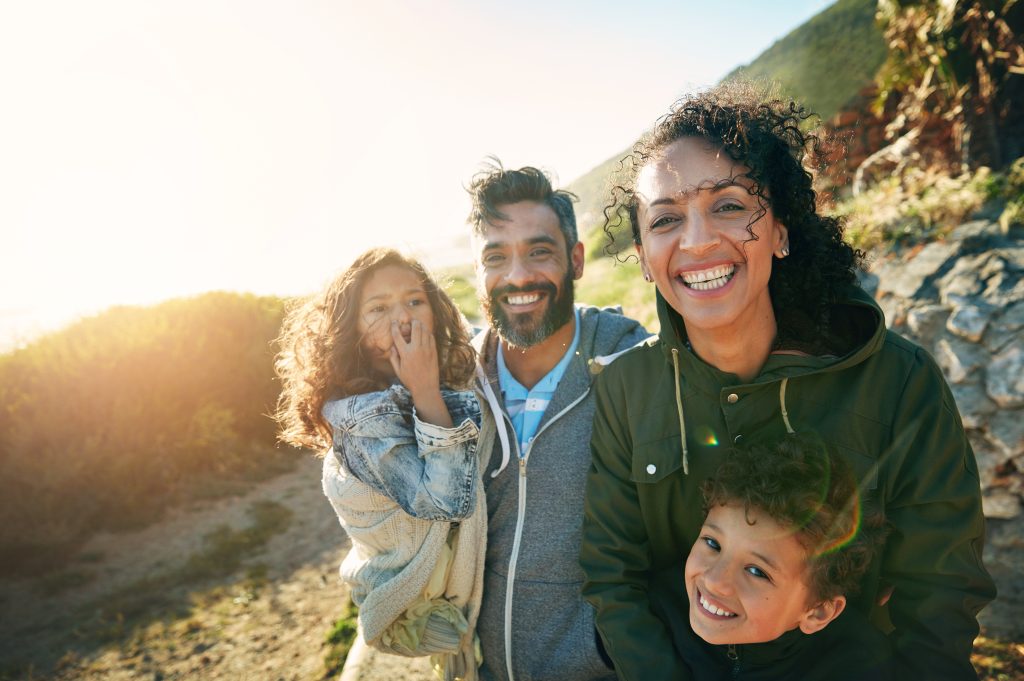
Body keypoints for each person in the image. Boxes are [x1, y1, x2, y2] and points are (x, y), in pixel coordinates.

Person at [580, 83, 995, 681]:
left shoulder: (898, 381)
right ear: (644, 255)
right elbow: (614, 575)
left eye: (728, 205)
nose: (696, 240)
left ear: (779, 230)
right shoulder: (628, 389)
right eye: (666, 219)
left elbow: (940, 590)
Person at [466, 161, 649, 681]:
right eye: (496, 257)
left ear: (576, 259)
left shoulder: (629, 364)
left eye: (538, 251)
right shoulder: (457, 383)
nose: (518, 276)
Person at [274, 248, 492, 680]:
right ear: (350, 327)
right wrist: (426, 389)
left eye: (415, 300)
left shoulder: (433, 376)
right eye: (377, 308)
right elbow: (446, 502)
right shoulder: (361, 417)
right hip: (416, 598)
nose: (403, 317)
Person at [677, 432, 893, 680]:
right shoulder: (654, 614)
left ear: (817, 612)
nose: (715, 580)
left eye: (756, 571)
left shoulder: (859, 666)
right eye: (713, 544)